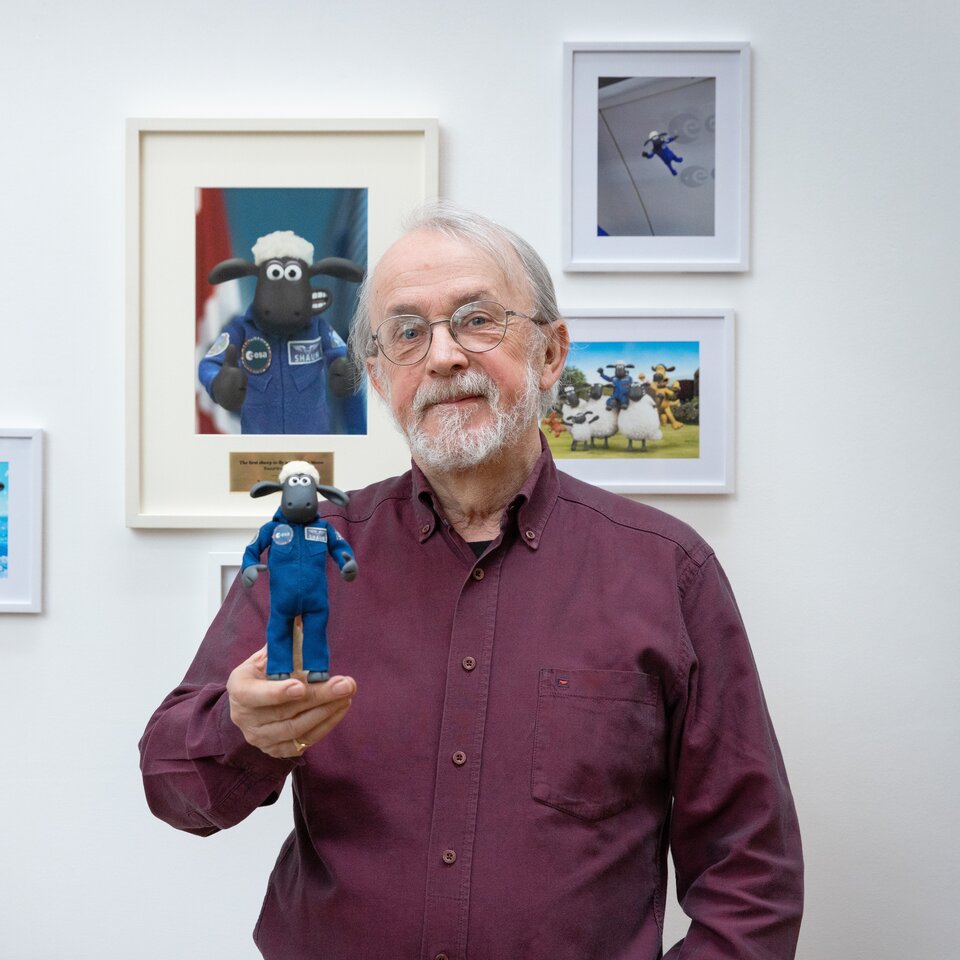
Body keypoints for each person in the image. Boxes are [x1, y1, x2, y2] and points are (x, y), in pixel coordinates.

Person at [139, 203, 803, 959]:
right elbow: (172, 789)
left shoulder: (667, 571)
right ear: (380, 375)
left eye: (477, 320)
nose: (444, 356)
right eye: (408, 333)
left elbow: (751, 869)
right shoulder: (310, 554)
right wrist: (241, 730)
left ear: (551, 354)